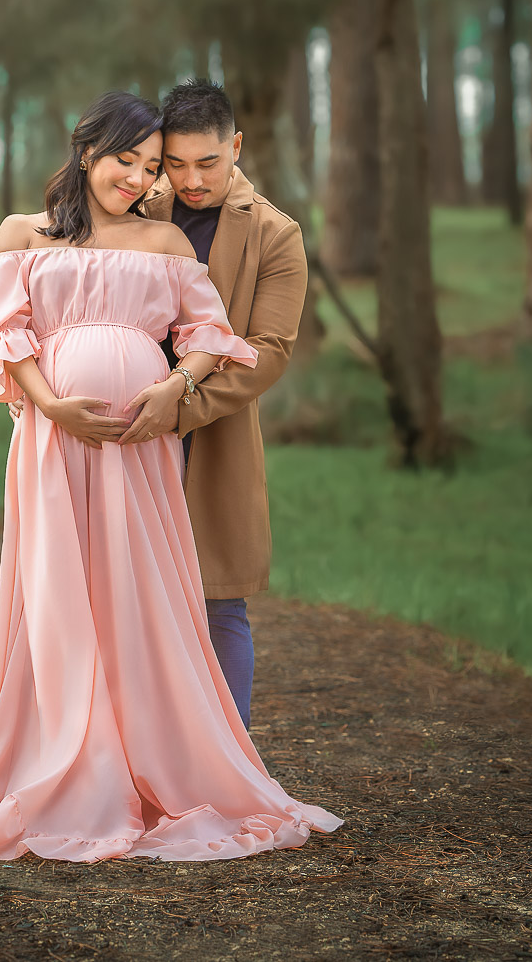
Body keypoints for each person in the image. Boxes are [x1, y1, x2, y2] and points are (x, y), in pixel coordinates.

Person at [0, 90, 340, 863]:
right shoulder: (35, 229)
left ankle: (200, 758)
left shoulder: (227, 235)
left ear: (236, 148)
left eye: (163, 164)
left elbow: (240, 341)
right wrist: (51, 407)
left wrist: (177, 393)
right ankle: (74, 757)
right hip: (59, 442)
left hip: (165, 440)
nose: (154, 178)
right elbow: (7, 335)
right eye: (143, 162)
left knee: (187, 598)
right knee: (67, 593)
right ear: (88, 152)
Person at [132, 78, 309, 732]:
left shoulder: (274, 234)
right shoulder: (136, 207)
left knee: (218, 604)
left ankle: (228, 759)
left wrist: (181, 407)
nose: (191, 180)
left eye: (207, 162)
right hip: (125, 429)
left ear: (235, 145)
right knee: (129, 596)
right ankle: (143, 756)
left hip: (213, 431)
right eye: (173, 163)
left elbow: (267, 350)